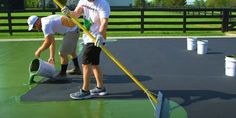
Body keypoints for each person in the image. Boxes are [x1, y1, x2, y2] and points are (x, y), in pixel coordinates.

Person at [61, 0, 110, 99]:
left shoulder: (103, 4)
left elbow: (104, 22)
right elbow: (76, 14)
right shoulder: (83, 1)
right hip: (88, 37)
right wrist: (69, 13)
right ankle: (100, 87)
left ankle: (85, 90)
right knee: (95, 64)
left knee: (85, 64)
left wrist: (100, 35)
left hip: (96, 38)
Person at [27, 14, 82, 81]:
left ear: (37, 22)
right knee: (71, 51)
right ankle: (77, 69)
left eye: (34, 26)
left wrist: (39, 50)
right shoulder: (45, 20)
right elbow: (52, 41)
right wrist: (51, 57)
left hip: (72, 31)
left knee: (62, 53)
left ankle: (63, 74)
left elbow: (48, 42)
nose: (35, 28)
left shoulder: (45, 25)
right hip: (73, 30)